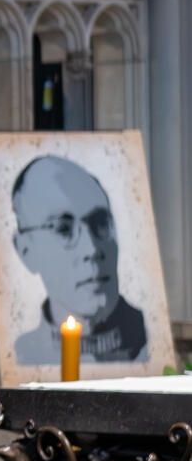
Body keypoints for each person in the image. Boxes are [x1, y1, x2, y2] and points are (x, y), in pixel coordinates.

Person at [10, 155, 147, 364]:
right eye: (63, 229)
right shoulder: (21, 356)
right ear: (26, 251)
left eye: (100, 223)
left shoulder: (150, 342)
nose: (91, 249)